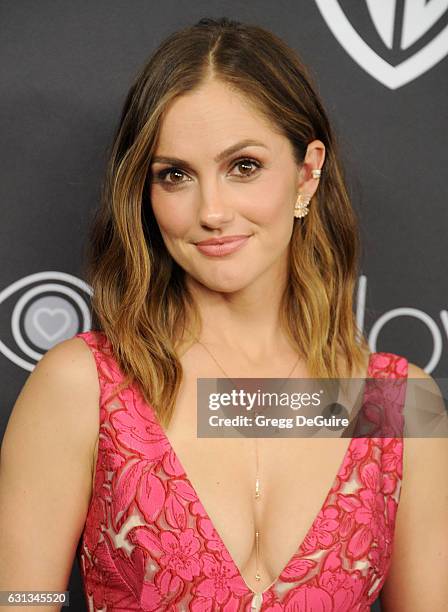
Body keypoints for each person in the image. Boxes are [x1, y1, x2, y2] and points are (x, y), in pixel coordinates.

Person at [0, 16, 447, 612]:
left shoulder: (394, 402)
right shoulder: (83, 386)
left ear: (307, 174)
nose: (211, 211)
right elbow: (22, 600)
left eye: (244, 166)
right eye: (176, 175)